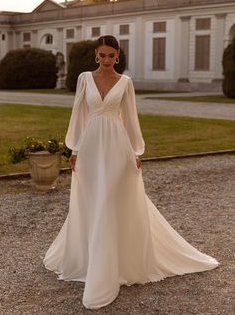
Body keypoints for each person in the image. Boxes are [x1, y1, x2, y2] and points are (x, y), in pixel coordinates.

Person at [43, 35, 219, 309]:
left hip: (117, 147)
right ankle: (92, 261)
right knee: (92, 200)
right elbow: (77, 115)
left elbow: (130, 118)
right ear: (95, 55)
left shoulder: (125, 83)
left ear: (118, 56)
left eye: (111, 56)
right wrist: (74, 150)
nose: (106, 60)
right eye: (102, 55)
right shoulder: (84, 79)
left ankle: (114, 265)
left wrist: (136, 151)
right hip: (89, 148)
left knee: (112, 200)